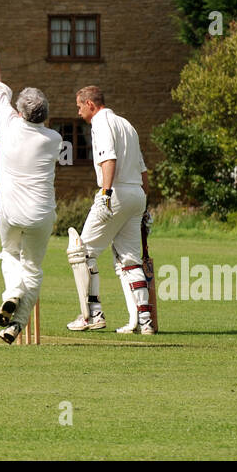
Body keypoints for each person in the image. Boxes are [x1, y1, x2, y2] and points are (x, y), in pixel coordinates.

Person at [0, 32, 62, 344]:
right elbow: (34, 142)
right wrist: (7, 140)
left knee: (9, 254)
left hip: (10, 210)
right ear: (45, 115)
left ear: (21, 112)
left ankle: (11, 293)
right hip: (41, 215)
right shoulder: (54, 140)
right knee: (34, 269)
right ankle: (17, 324)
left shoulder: (8, 124)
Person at [67, 85, 153, 335]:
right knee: (129, 259)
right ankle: (144, 320)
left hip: (115, 192)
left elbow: (109, 159)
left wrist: (105, 193)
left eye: (79, 106)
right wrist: (145, 206)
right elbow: (143, 169)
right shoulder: (127, 125)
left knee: (81, 252)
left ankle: (92, 314)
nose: (79, 112)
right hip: (136, 194)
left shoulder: (101, 124)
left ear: (90, 104)